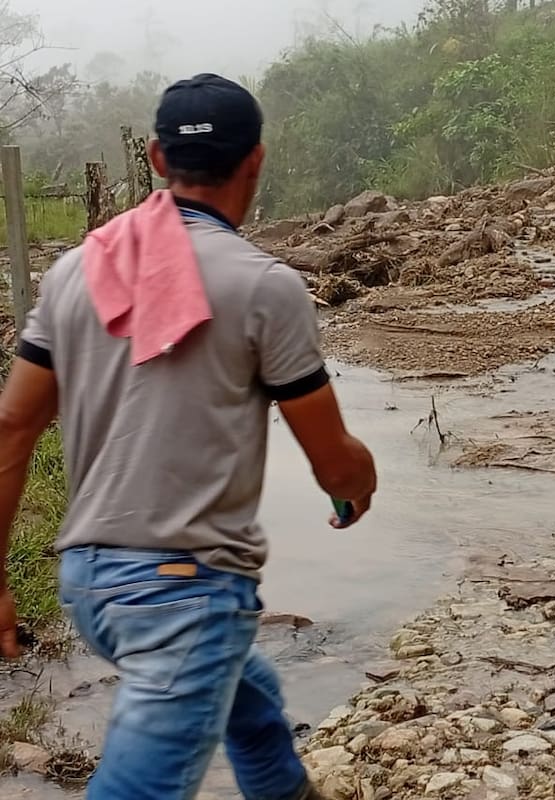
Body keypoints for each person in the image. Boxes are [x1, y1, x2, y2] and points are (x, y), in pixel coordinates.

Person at [0, 73, 376, 799]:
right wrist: (357, 483)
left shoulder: (78, 270)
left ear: (155, 158)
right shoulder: (266, 287)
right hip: (185, 594)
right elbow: (333, 460)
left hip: (87, 584)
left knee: (258, 724)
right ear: (257, 161)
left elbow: (13, 426)